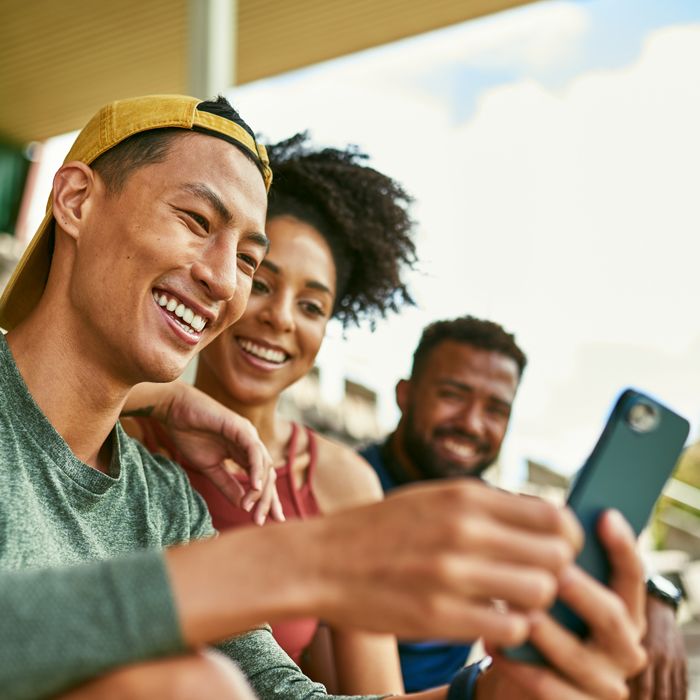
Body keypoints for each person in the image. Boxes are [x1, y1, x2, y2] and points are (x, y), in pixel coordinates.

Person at [0, 94, 645, 700]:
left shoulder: (166, 500)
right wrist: (303, 561)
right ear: (78, 199)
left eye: (247, 260)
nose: (224, 280)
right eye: (196, 221)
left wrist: (477, 693)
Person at [124, 132, 417, 695]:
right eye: (260, 283)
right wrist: (166, 398)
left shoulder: (342, 486)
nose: (281, 318)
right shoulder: (124, 429)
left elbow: (378, 690)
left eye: (312, 306)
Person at [361, 315, 688, 699]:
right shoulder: (345, 493)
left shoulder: (491, 513)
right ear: (404, 394)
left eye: (495, 410)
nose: (472, 423)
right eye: (452, 395)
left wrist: (658, 598)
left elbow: (582, 554)